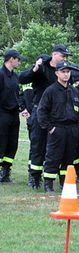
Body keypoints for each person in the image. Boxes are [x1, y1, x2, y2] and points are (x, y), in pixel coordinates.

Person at [19, 44, 71, 190]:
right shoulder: (42, 66)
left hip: (57, 115)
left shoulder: (64, 70)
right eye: (62, 55)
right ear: (54, 54)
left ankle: (55, 178)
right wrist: (35, 68)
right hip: (40, 112)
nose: (64, 58)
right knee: (38, 145)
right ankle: (34, 177)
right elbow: (22, 78)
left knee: (56, 148)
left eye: (66, 56)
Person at [37, 61, 79, 192]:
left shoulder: (73, 91)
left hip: (72, 130)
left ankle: (66, 183)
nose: (66, 74)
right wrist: (50, 128)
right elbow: (42, 111)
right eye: (63, 72)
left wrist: (77, 126)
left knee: (69, 158)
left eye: (68, 72)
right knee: (53, 157)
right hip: (57, 129)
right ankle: (48, 184)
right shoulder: (50, 90)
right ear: (57, 73)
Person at [0, 49, 26, 183]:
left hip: (14, 115)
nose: (19, 62)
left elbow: (18, 95)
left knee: (12, 144)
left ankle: (6, 172)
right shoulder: (1, 74)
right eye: (18, 59)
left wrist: (22, 108)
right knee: (1, 143)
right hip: (2, 114)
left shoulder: (16, 77)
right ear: (11, 59)